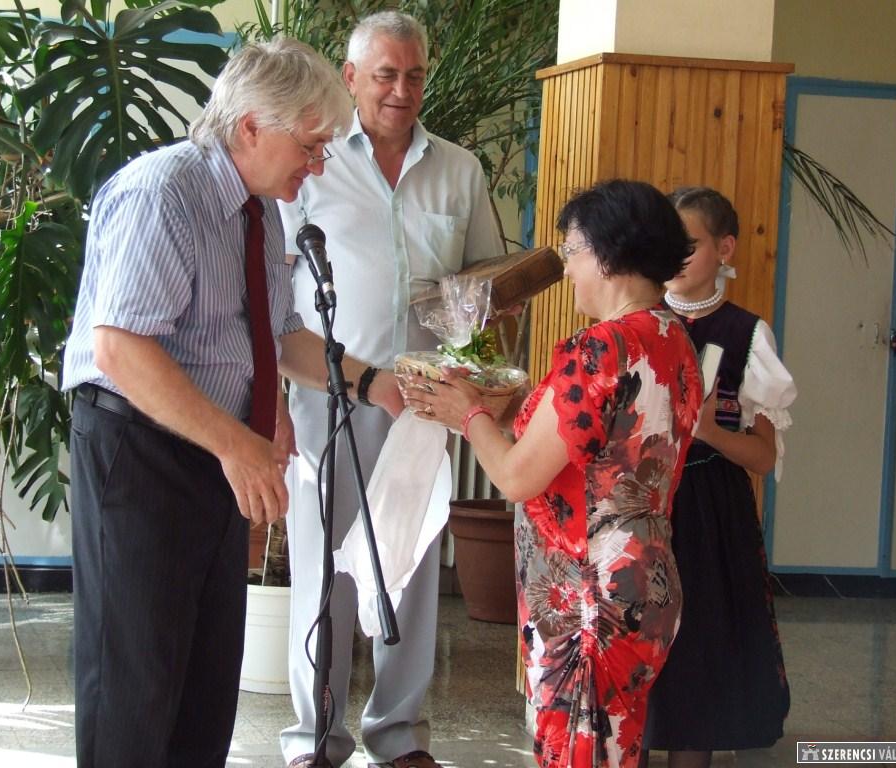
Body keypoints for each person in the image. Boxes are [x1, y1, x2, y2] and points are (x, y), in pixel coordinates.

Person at [63, 38, 401, 768]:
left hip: (215, 458)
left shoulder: (260, 210)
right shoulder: (164, 193)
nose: (319, 165)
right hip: (140, 453)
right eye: (309, 145)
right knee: (136, 684)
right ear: (251, 126)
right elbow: (119, 348)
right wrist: (235, 442)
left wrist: (376, 382)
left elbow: (278, 334)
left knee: (206, 684)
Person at [405, 179, 703, 768]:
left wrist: (466, 414)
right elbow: (591, 439)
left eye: (573, 251)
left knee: (578, 753)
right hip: (642, 579)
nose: (567, 270)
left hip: (589, 595)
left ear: (609, 255)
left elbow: (517, 477)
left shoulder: (600, 349)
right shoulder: (672, 338)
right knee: (611, 749)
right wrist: (499, 406)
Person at [278, 11, 504, 768]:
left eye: (413, 75)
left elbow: (486, 287)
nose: (401, 90)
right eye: (385, 75)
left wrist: (479, 376)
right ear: (350, 78)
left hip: (424, 410)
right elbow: (274, 294)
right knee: (325, 573)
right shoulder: (311, 163)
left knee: (411, 569)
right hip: (329, 400)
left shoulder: (461, 170)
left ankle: (399, 735)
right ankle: (315, 738)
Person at [640, 187, 796, 768]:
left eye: (692, 243)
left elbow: (763, 457)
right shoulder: (638, 323)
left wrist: (708, 431)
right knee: (634, 646)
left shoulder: (746, 335)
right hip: (642, 502)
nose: (677, 255)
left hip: (710, 513)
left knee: (698, 653)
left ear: (725, 248)